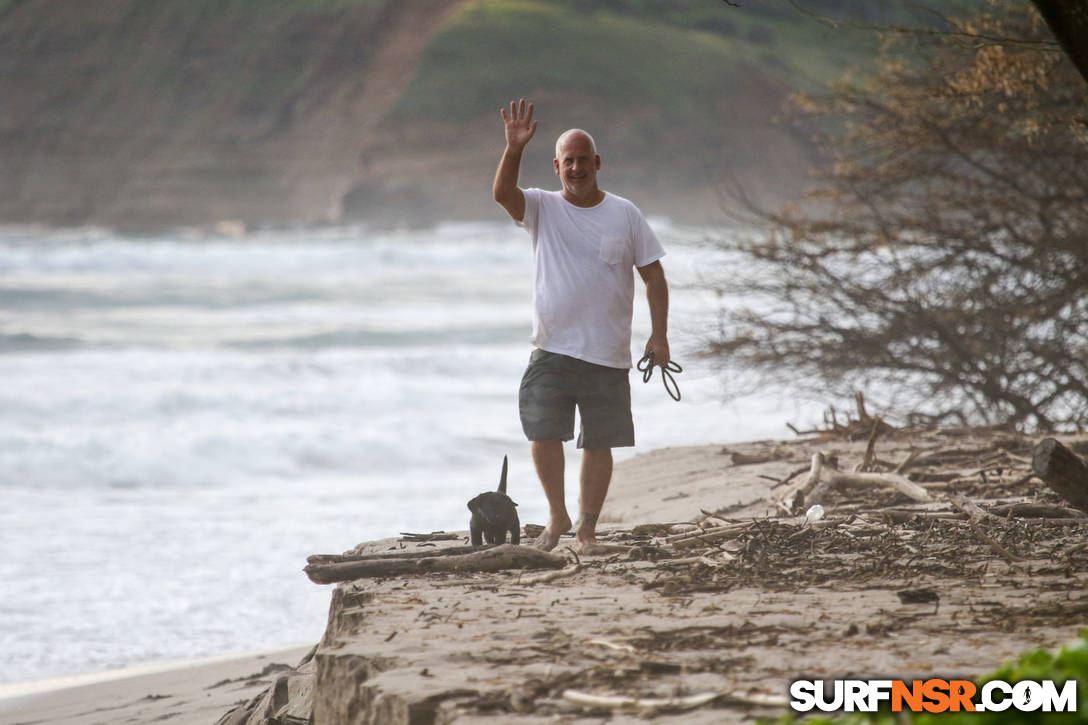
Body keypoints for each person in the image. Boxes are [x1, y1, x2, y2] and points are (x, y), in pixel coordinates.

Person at [491, 98, 671, 554]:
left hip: (607, 353)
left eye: (582, 160)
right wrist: (513, 149)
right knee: (542, 433)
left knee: (599, 444)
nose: (576, 168)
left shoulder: (625, 214)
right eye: (567, 161)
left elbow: (654, 276)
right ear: (556, 166)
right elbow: (502, 195)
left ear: (597, 163)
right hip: (551, 347)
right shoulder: (541, 207)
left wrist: (660, 334)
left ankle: (588, 532)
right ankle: (557, 517)